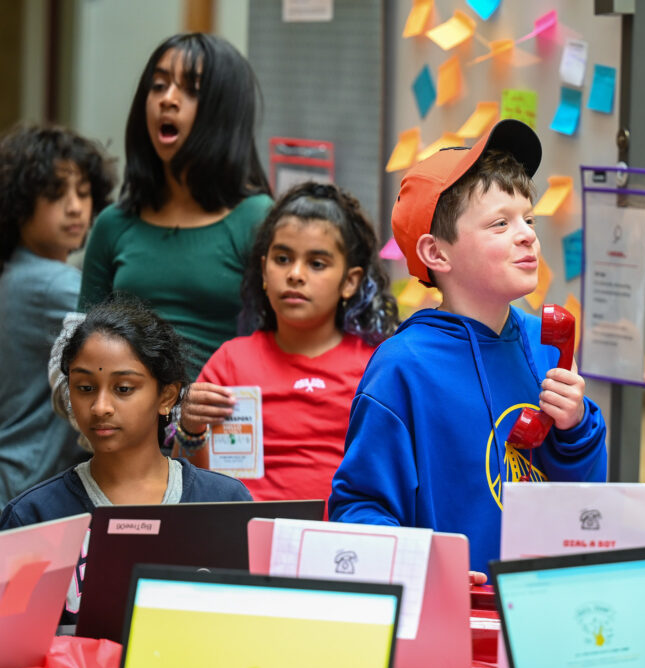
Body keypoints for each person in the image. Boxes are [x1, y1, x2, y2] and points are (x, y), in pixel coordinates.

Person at [328, 120, 608, 574]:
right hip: (452, 609)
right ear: (437, 254)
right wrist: (430, 567)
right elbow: (360, 507)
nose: (527, 235)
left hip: (539, 600)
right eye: (500, 223)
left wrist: (575, 427)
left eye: (529, 219)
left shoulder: (544, 346)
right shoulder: (404, 367)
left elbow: (586, 508)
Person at [0, 295, 250, 620]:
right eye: (85, 387)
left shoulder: (226, 504)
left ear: (167, 396)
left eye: (124, 388)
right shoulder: (34, 517)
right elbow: (13, 644)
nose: (101, 407)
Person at [175, 182, 400, 503]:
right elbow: (190, 484)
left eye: (316, 263)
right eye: (282, 259)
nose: (295, 274)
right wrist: (190, 427)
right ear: (264, 270)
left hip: (342, 545)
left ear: (350, 281)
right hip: (243, 539)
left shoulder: (376, 365)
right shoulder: (230, 362)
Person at [78, 33, 273, 379]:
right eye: (158, 85)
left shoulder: (258, 219)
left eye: (191, 89)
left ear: (224, 111)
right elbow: (76, 352)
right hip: (125, 426)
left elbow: (285, 349)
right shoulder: (113, 224)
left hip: (224, 423)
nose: (167, 100)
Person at [0, 123, 115, 506]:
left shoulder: (16, 273)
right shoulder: (49, 283)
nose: (75, 207)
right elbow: (125, 332)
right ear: (19, 204)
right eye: (56, 194)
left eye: (83, 194)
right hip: (27, 481)